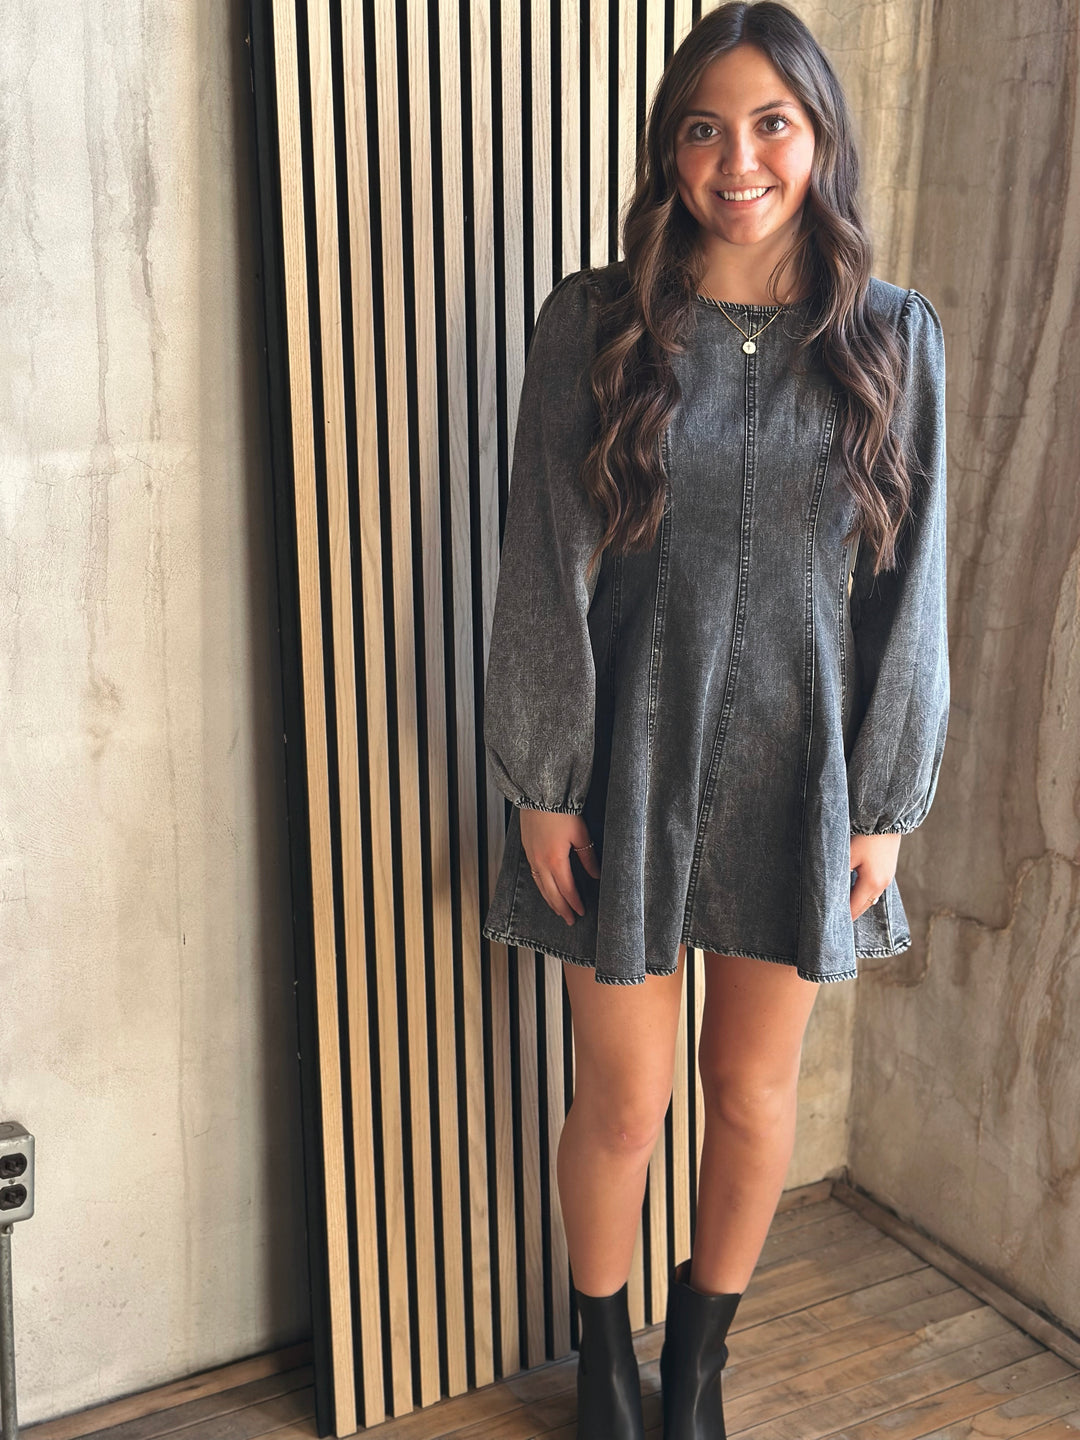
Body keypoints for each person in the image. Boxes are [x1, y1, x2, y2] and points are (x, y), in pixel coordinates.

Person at [482, 2, 950, 1436]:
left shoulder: (891, 337)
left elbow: (914, 583)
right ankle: (607, 1360)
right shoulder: (597, 320)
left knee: (748, 1095)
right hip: (624, 758)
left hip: (804, 763)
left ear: (817, 141)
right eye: (703, 126)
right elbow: (542, 551)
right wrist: (545, 775)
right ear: (669, 151)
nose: (735, 158)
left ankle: (700, 1366)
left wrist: (883, 800)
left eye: (770, 125)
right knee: (622, 1106)